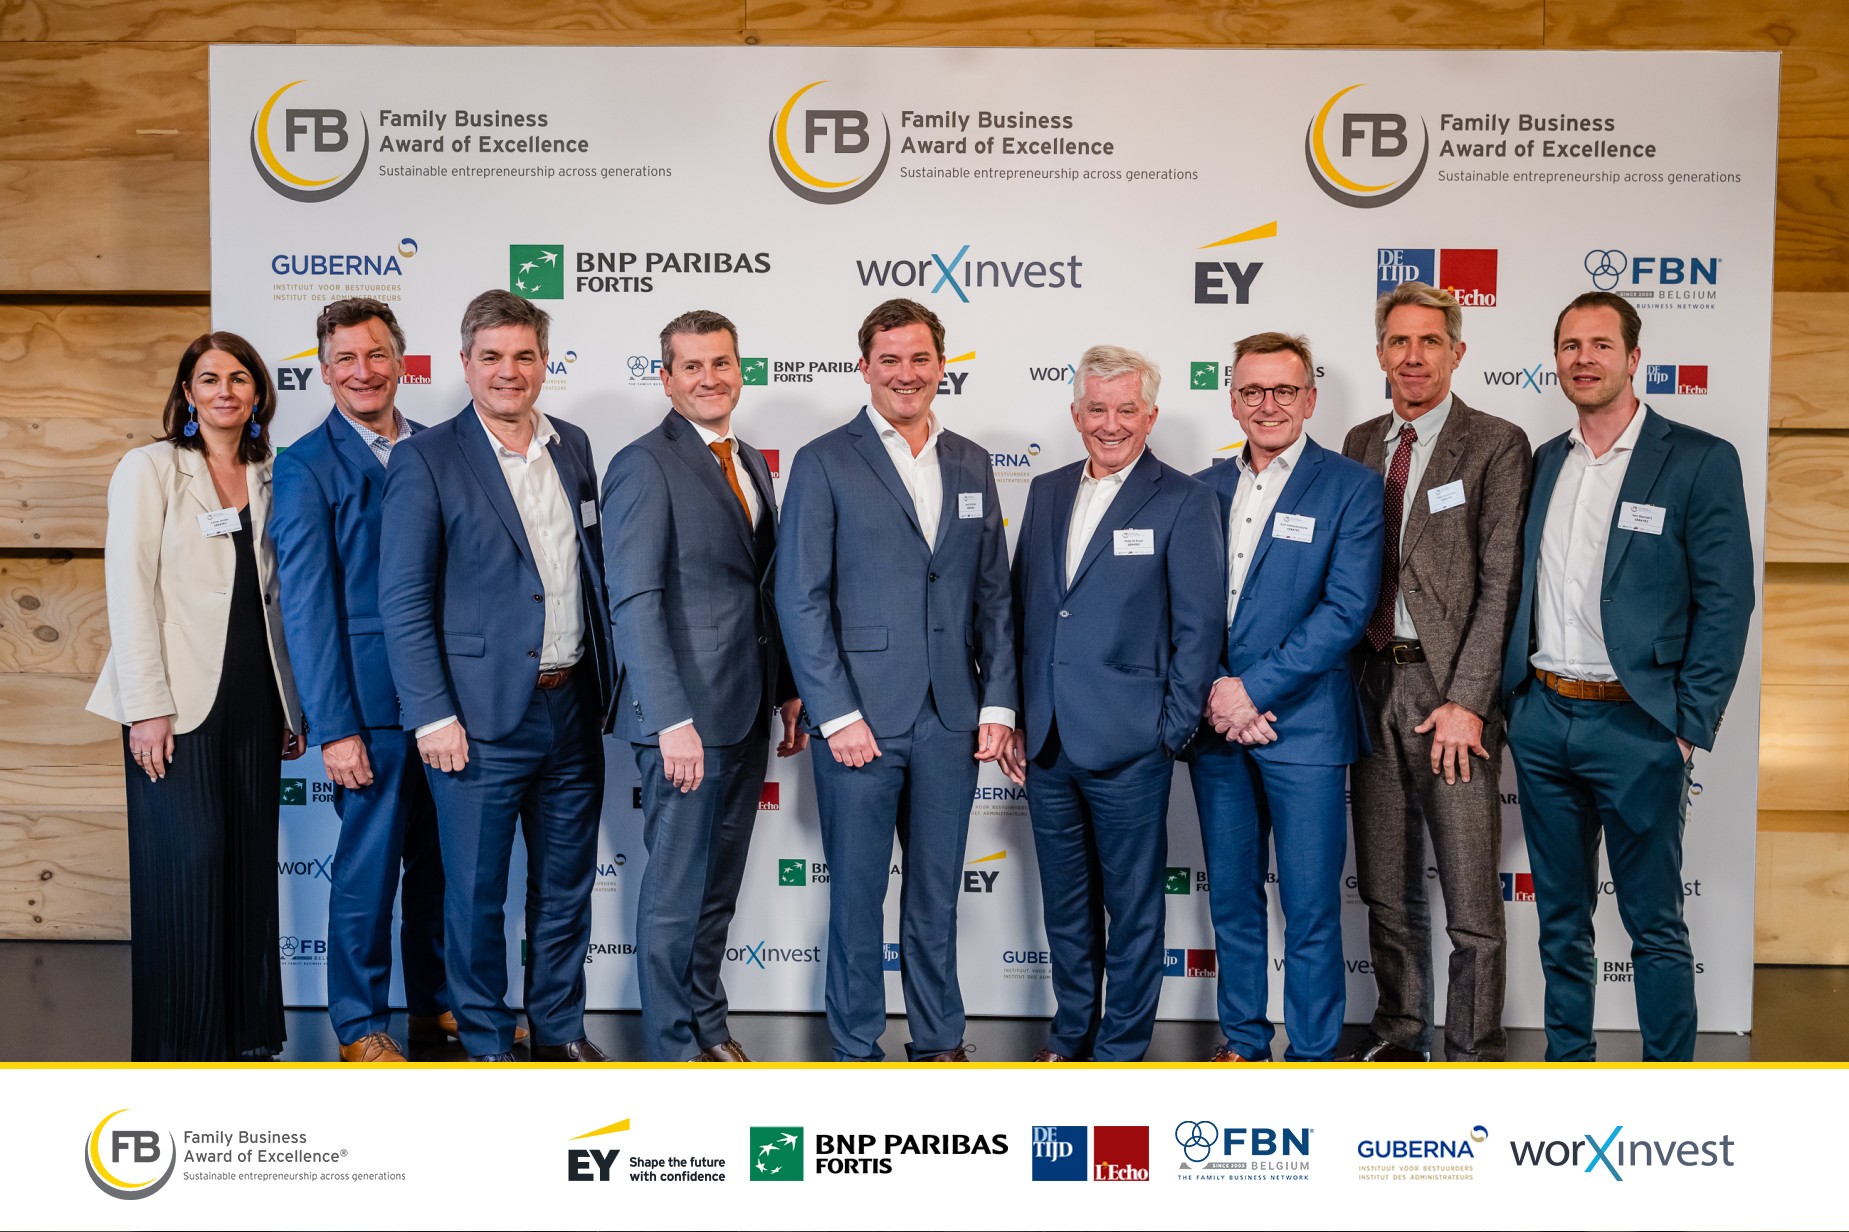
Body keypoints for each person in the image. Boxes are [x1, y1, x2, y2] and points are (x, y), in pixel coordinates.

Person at [1502, 291, 1753, 1063]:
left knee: (1653, 924)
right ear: (1556, 361)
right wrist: (1516, 705)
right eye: (1570, 346)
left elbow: (1726, 600)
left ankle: (1663, 1088)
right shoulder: (1545, 461)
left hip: (1639, 727)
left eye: (1600, 345)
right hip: (1543, 720)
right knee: (1560, 921)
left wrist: (1685, 724)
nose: (1583, 359)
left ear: (1633, 358)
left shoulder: (1698, 459)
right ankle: (1567, 1067)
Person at [776, 298, 1018, 1062]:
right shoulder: (823, 459)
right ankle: (854, 1048)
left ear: (941, 366)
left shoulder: (971, 461)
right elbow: (799, 596)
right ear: (864, 367)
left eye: (919, 359)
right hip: (860, 721)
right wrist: (835, 713)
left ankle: (939, 1042)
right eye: (889, 360)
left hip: (952, 716)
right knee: (856, 897)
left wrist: (999, 703)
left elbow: (993, 594)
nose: (905, 374)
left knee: (936, 894)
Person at [378, 290, 614, 1063]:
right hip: (474, 720)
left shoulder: (573, 446)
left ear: (544, 362)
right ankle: (484, 1041)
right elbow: (403, 599)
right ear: (464, 363)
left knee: (564, 889)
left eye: (523, 356)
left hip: (572, 705)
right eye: (491, 357)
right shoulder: (426, 458)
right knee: (475, 897)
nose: (507, 372)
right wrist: (431, 714)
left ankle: (559, 1029)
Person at [87, 331, 307, 1061]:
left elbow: (282, 598)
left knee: (247, 866)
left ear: (258, 392)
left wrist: (292, 703)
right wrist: (146, 707)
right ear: (187, 392)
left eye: (239, 378)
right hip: (175, 701)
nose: (224, 391)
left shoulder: (273, 471)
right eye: (209, 378)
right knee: (186, 867)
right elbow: (128, 591)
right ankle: (182, 1045)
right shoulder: (149, 468)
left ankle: (246, 1035)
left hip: (256, 695)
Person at [1006, 345, 1224, 1062]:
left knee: (1132, 911)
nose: (1111, 424)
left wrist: (1169, 730)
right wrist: (1017, 715)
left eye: (1126, 409)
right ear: (1075, 414)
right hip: (1048, 743)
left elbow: (1198, 629)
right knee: (1066, 909)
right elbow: (1023, 610)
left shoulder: (1184, 499)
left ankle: (1121, 1052)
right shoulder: (1045, 491)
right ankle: (1071, 1039)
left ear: (1150, 415)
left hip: (1132, 743)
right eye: (1096, 409)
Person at [602, 309, 806, 1063]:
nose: (709, 378)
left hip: (745, 709)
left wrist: (786, 688)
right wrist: (668, 718)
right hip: (683, 719)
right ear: (666, 379)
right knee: (675, 892)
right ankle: (672, 1048)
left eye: (721, 363)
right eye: (691, 366)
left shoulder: (748, 458)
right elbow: (635, 600)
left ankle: (708, 1026)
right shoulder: (642, 464)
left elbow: (761, 587)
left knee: (715, 890)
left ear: (739, 371)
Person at [1339, 282, 1533, 1063]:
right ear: (1379, 352)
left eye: (1428, 341)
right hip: (1367, 687)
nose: (1412, 356)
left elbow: (1500, 582)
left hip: (1449, 697)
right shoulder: (1359, 442)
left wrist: (1467, 701)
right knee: (1385, 886)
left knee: (1469, 898)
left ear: (1456, 351)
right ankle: (1398, 1033)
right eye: (1398, 341)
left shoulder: (1494, 442)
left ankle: (1474, 1050)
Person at [272, 297, 463, 1063]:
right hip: (369, 707)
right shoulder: (303, 465)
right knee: (367, 873)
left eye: (377, 354)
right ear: (323, 372)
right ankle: (357, 1024)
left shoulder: (442, 447)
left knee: (444, 869)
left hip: (450, 698)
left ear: (401, 362)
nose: (363, 371)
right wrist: (335, 726)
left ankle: (437, 1004)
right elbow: (307, 607)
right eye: (345, 358)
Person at [1189, 331, 1383, 1063]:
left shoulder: (1351, 486)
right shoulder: (1201, 488)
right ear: (1232, 400)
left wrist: (1251, 690)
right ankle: (1242, 1041)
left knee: (1309, 906)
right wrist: (1218, 690)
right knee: (1233, 899)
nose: (1267, 404)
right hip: (1218, 727)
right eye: (1251, 390)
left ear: (1309, 398)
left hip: (1303, 726)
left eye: (1283, 390)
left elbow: (1345, 610)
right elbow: (1182, 606)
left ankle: (1310, 1055)